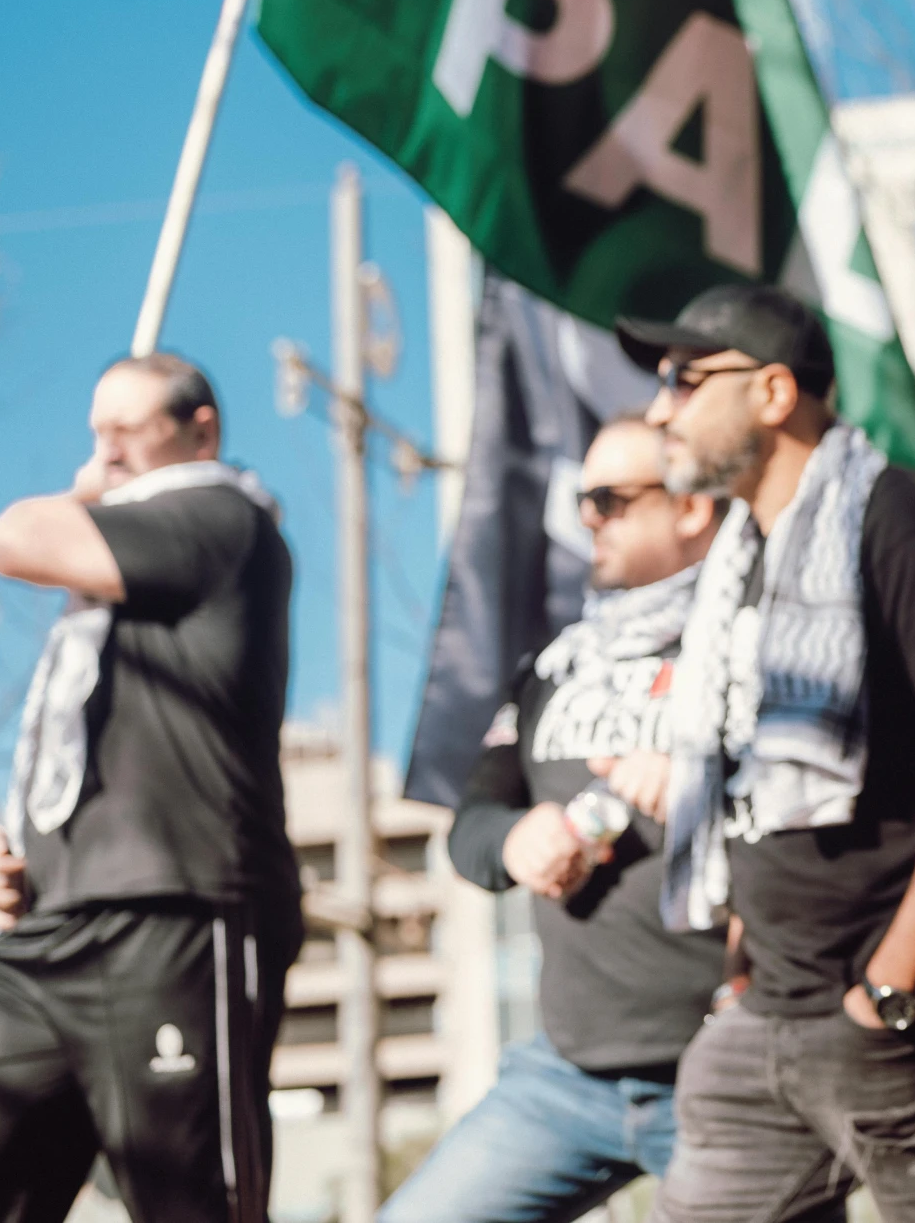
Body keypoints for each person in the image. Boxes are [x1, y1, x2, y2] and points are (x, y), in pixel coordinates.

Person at [618, 284, 915, 1223]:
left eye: (686, 380)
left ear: (774, 394)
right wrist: (743, 974)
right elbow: (751, 787)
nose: (661, 411)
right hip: (768, 1019)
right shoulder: (739, 567)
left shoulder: (908, 523)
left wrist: (890, 991)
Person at [0, 353, 297, 1223]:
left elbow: (8, 539)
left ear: (201, 432)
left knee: (191, 1207)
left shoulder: (220, 515)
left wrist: (81, 494)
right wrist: (26, 849)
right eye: (94, 433)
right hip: (51, 935)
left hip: (177, 918)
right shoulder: (109, 598)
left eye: (125, 431)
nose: (105, 453)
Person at [382, 415, 729, 1223]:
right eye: (582, 501)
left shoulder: (761, 646)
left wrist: (705, 785)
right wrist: (514, 838)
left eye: (610, 499)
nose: (588, 521)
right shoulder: (553, 667)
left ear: (690, 509)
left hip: (725, 1068)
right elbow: (472, 824)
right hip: (566, 1075)